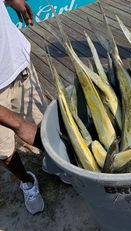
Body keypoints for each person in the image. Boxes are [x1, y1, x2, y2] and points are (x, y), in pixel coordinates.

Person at [0, 0, 70, 215]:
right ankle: (27, 181)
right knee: (4, 152)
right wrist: (19, 124)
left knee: (43, 126)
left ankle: (54, 162)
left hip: (18, 66)